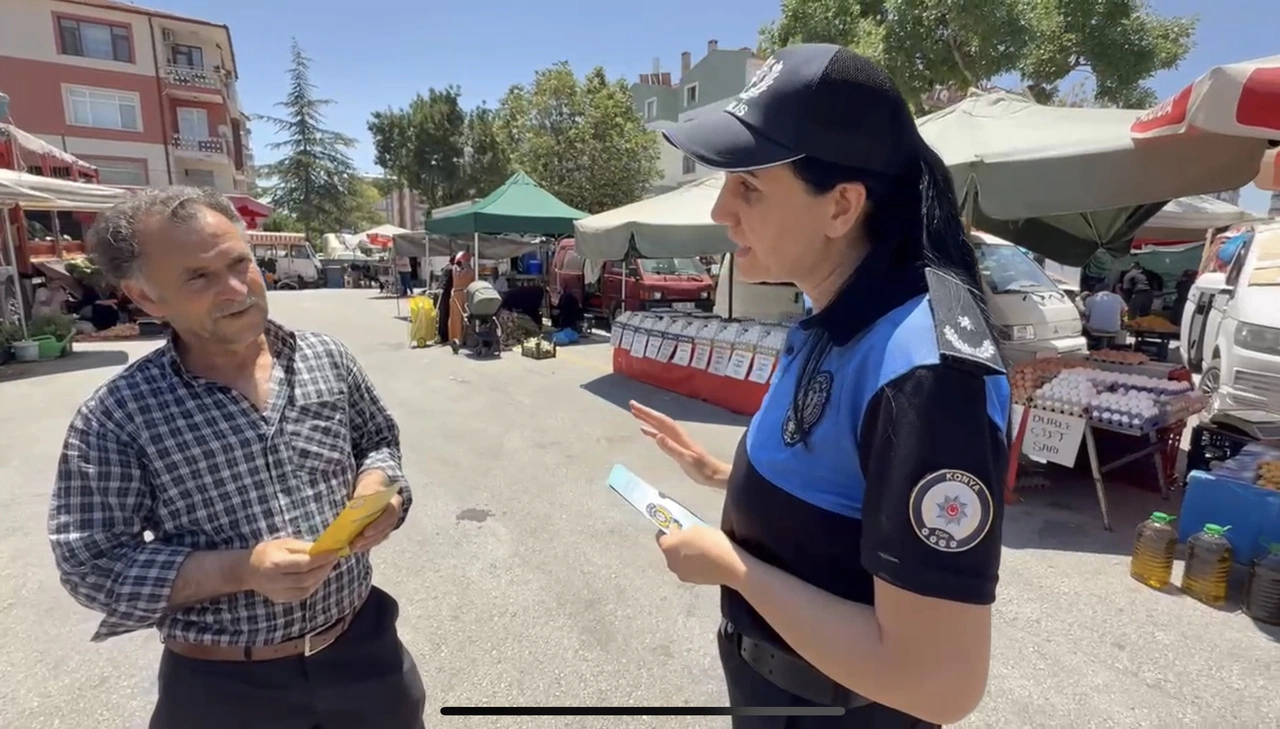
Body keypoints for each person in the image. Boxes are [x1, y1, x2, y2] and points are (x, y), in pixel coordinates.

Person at [630, 44, 1010, 728]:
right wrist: (727, 474)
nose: (721, 209)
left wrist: (732, 566)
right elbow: (848, 485)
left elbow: (940, 682)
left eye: (749, 185)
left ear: (841, 206)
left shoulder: (930, 373)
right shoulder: (834, 308)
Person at [48, 187, 425, 729]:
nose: (235, 289)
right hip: (224, 693)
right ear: (147, 298)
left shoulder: (325, 358)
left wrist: (381, 491)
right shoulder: (117, 416)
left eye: (240, 262)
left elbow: (379, 443)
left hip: (365, 656)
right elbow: (91, 567)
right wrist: (241, 569)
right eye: (199, 277)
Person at [447, 251, 476, 348]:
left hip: (461, 294)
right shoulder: (460, 270)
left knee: (463, 318)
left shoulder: (459, 269)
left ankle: (461, 338)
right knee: (457, 318)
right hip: (459, 294)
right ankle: (457, 338)